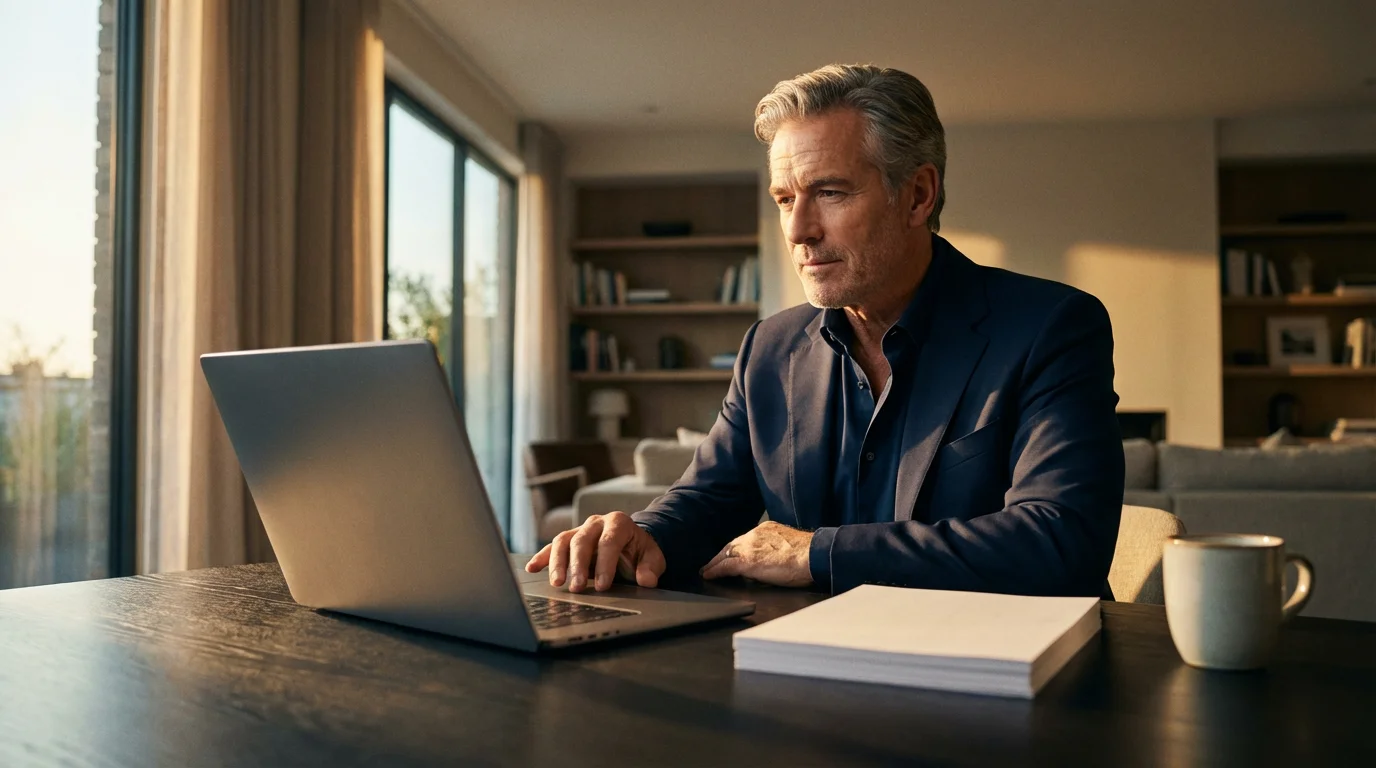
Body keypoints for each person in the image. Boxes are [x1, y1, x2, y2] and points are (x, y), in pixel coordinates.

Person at [526, 64, 1124, 597]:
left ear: (917, 195)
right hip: (806, 669)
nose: (798, 230)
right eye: (785, 199)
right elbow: (710, 497)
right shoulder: (770, 347)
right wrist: (642, 536)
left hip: (1000, 684)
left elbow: (1060, 543)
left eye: (829, 193)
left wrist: (816, 552)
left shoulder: (1051, 326)